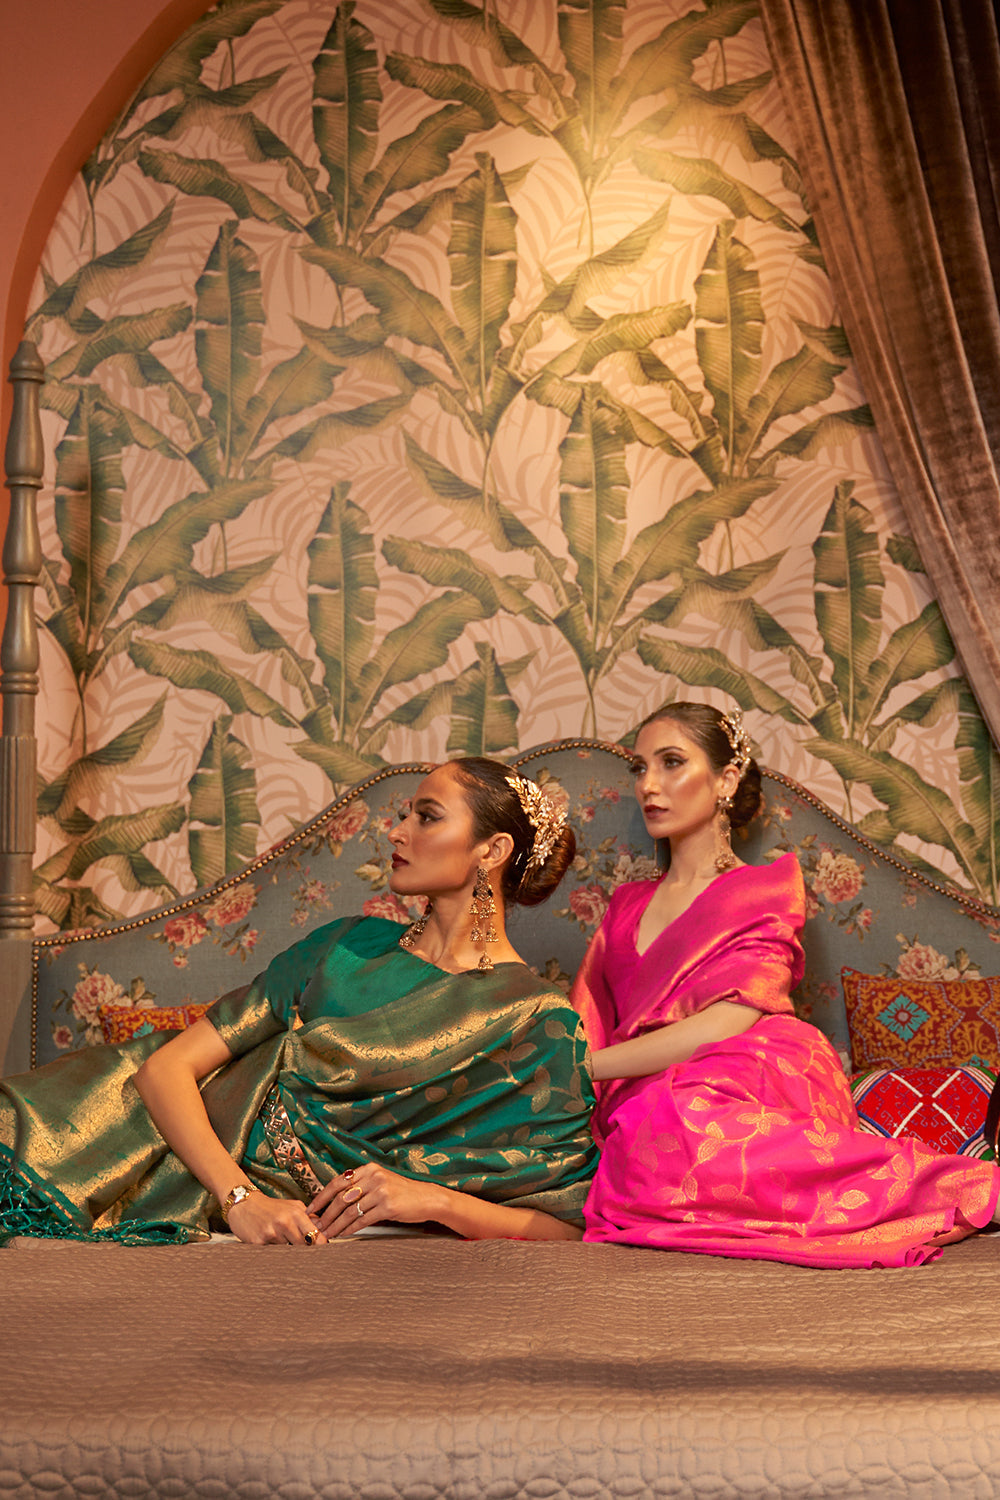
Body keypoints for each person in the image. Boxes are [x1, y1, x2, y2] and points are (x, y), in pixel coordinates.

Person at [0, 758, 597, 1246]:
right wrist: (240, 1200)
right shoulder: (344, 946)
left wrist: (432, 1200)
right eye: (404, 813)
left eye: (427, 816)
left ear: (491, 851)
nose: (397, 832)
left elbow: (567, 1226)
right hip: (117, 1125)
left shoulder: (537, 1019)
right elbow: (165, 1068)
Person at [571, 701, 1000, 1268]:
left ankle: (970, 1186)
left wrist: (587, 1066)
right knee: (645, 1133)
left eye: (671, 762)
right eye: (640, 767)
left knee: (678, 1115)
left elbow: (731, 1019)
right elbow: (587, 1017)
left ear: (726, 780)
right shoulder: (625, 904)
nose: (648, 784)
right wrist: (564, 1070)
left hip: (755, 1063)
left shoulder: (765, 888)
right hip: (642, 1094)